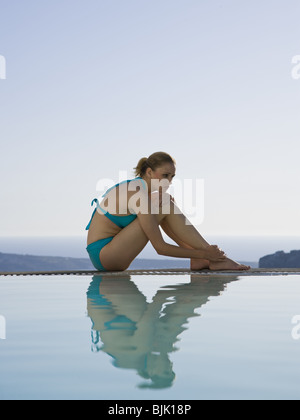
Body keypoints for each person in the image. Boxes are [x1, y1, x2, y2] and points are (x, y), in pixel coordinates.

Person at [86, 152, 250, 272]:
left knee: (165, 202)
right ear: (149, 172)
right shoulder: (137, 194)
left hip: (109, 253)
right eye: (165, 175)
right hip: (106, 255)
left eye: (172, 176)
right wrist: (206, 253)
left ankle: (200, 260)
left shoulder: (142, 190)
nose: (169, 181)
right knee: (165, 204)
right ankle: (212, 259)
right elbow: (160, 247)